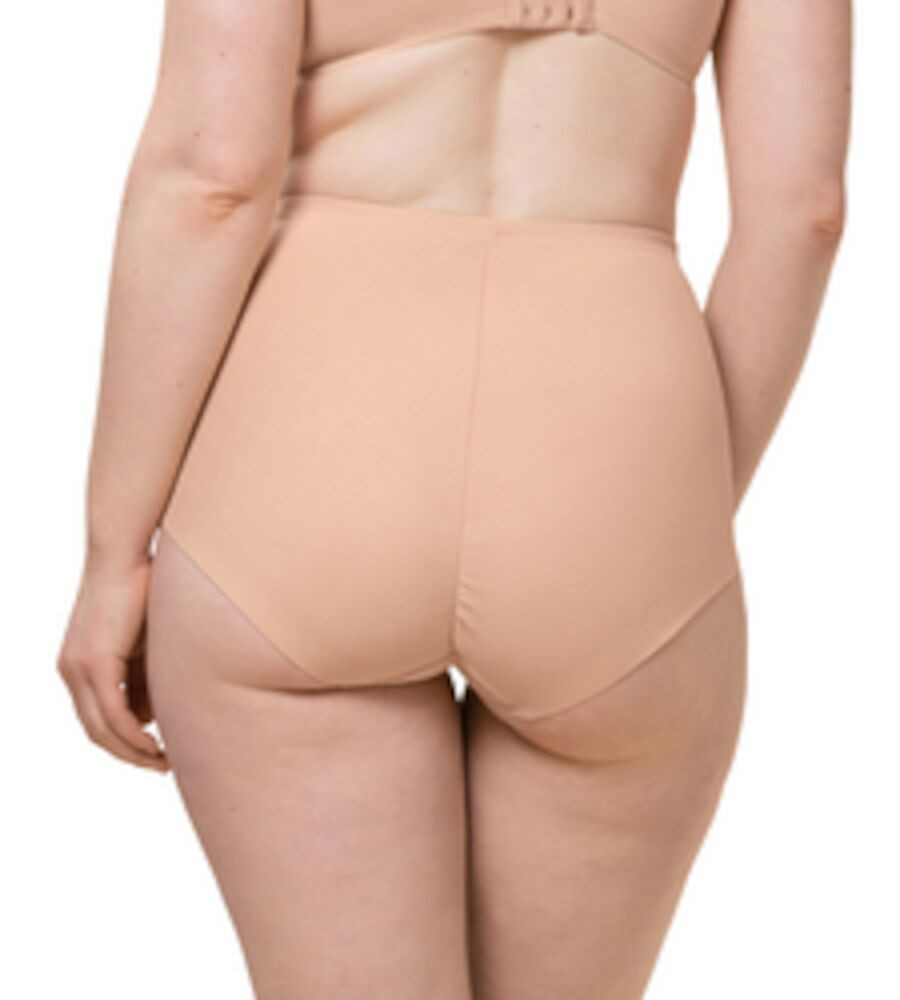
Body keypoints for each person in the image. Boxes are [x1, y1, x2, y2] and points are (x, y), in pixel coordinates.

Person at [56, 1, 851, 996]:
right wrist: (667, 522)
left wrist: (112, 547)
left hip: (310, 456)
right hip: (613, 451)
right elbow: (803, 212)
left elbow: (212, 177)